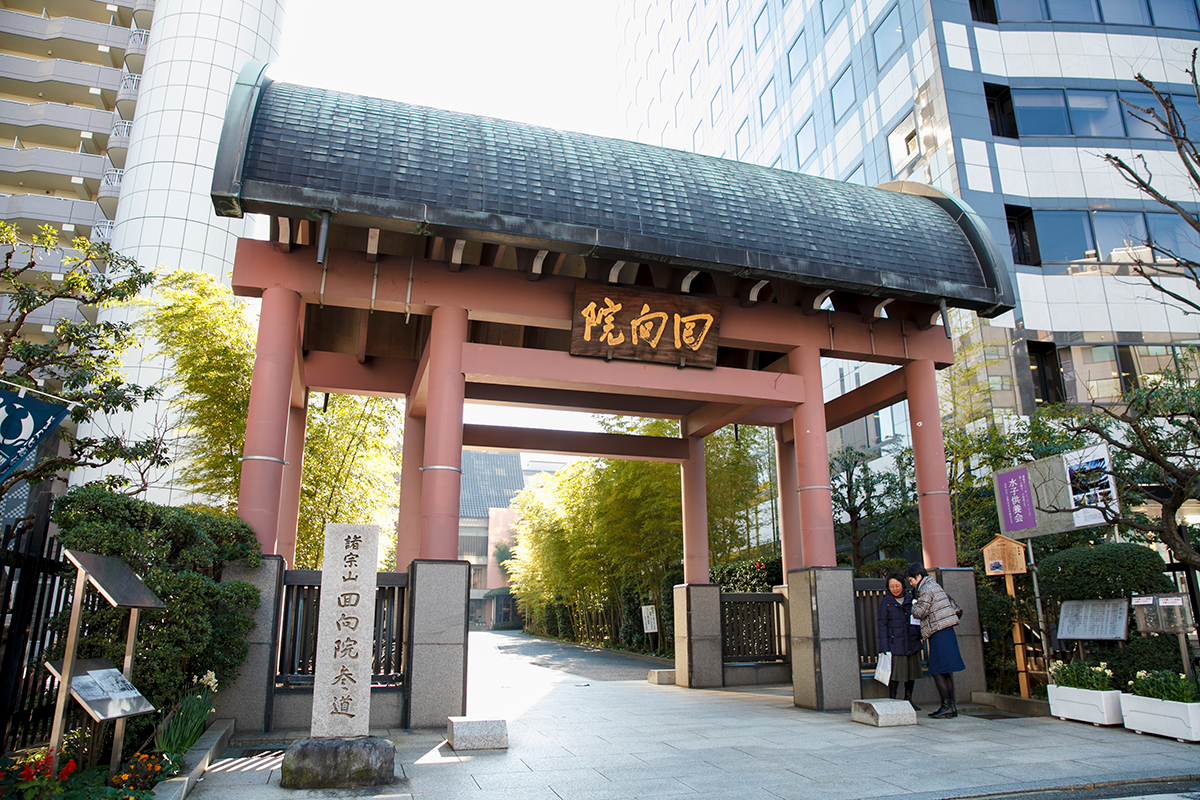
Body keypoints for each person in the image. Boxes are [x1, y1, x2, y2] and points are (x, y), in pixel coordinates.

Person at [906, 563, 965, 719]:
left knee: (937, 670)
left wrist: (913, 604)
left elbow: (919, 612)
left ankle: (946, 706)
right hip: (946, 631)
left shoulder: (925, 589)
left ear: (918, 577)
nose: (910, 583)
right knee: (945, 671)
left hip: (938, 631)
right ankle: (951, 707)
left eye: (911, 580)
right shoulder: (934, 585)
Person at [876, 572, 923, 709]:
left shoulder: (911, 600)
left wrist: (917, 635)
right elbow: (882, 625)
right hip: (894, 642)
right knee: (895, 674)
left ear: (903, 585)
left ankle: (909, 699)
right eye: (892, 586)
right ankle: (892, 699)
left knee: (910, 673)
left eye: (897, 585)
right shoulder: (886, 602)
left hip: (911, 640)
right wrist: (884, 647)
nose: (895, 589)